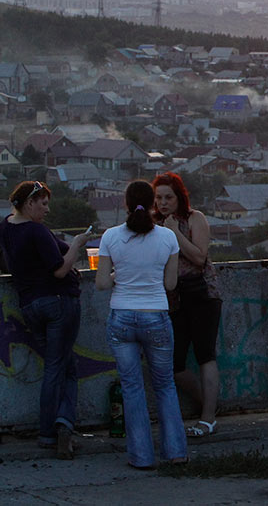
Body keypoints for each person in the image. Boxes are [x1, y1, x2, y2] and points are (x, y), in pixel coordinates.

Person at [95, 180, 188, 469]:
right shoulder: (167, 238)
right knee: (164, 385)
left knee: (132, 387)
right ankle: (175, 452)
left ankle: (141, 457)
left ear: (125, 203)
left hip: (122, 316)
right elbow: (170, 283)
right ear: (152, 204)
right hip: (156, 315)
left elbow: (100, 283)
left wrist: (118, 277)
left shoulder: (110, 236)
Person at [0, 181, 91, 459]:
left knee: (60, 366)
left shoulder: (6, 226)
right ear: (28, 203)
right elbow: (60, 271)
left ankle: (58, 428)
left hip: (30, 306)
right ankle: (54, 430)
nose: (47, 209)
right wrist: (77, 243)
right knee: (60, 368)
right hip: (57, 303)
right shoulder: (36, 230)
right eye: (43, 203)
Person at [153, 172, 220, 438]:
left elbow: (199, 257)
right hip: (172, 298)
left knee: (205, 354)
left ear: (180, 197)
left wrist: (174, 234)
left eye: (168, 197)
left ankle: (208, 418)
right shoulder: (153, 223)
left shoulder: (195, 219)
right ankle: (210, 405)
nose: (163, 203)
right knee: (174, 362)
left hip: (202, 293)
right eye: (158, 198)